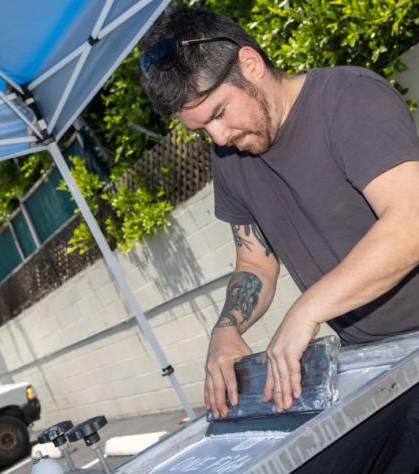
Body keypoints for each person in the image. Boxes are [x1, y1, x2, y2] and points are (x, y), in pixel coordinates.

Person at [140, 6, 419, 471]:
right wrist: (226, 329)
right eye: (202, 129)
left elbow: (411, 221)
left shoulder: (347, 97)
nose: (219, 136)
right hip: (372, 363)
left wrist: (307, 308)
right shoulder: (229, 160)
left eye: (220, 114)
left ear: (250, 64)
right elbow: (255, 263)